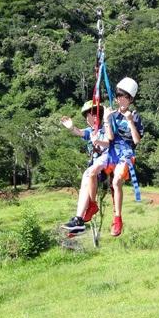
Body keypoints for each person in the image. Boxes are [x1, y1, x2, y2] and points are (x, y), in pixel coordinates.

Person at [60, 100, 113, 235]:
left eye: (94, 115)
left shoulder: (106, 127)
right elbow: (80, 132)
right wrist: (71, 127)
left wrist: (98, 141)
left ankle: (92, 204)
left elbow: (109, 142)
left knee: (90, 172)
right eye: (88, 116)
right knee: (85, 178)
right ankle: (78, 220)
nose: (91, 119)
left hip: (108, 161)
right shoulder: (90, 131)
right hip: (97, 165)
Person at [104, 77, 144, 237]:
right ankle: (86, 211)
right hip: (111, 152)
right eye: (119, 96)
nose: (121, 100)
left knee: (116, 181)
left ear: (130, 100)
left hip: (126, 154)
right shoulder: (112, 115)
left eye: (125, 97)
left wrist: (130, 122)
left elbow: (136, 141)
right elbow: (109, 138)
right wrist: (106, 120)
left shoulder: (135, 116)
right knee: (90, 174)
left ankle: (118, 219)